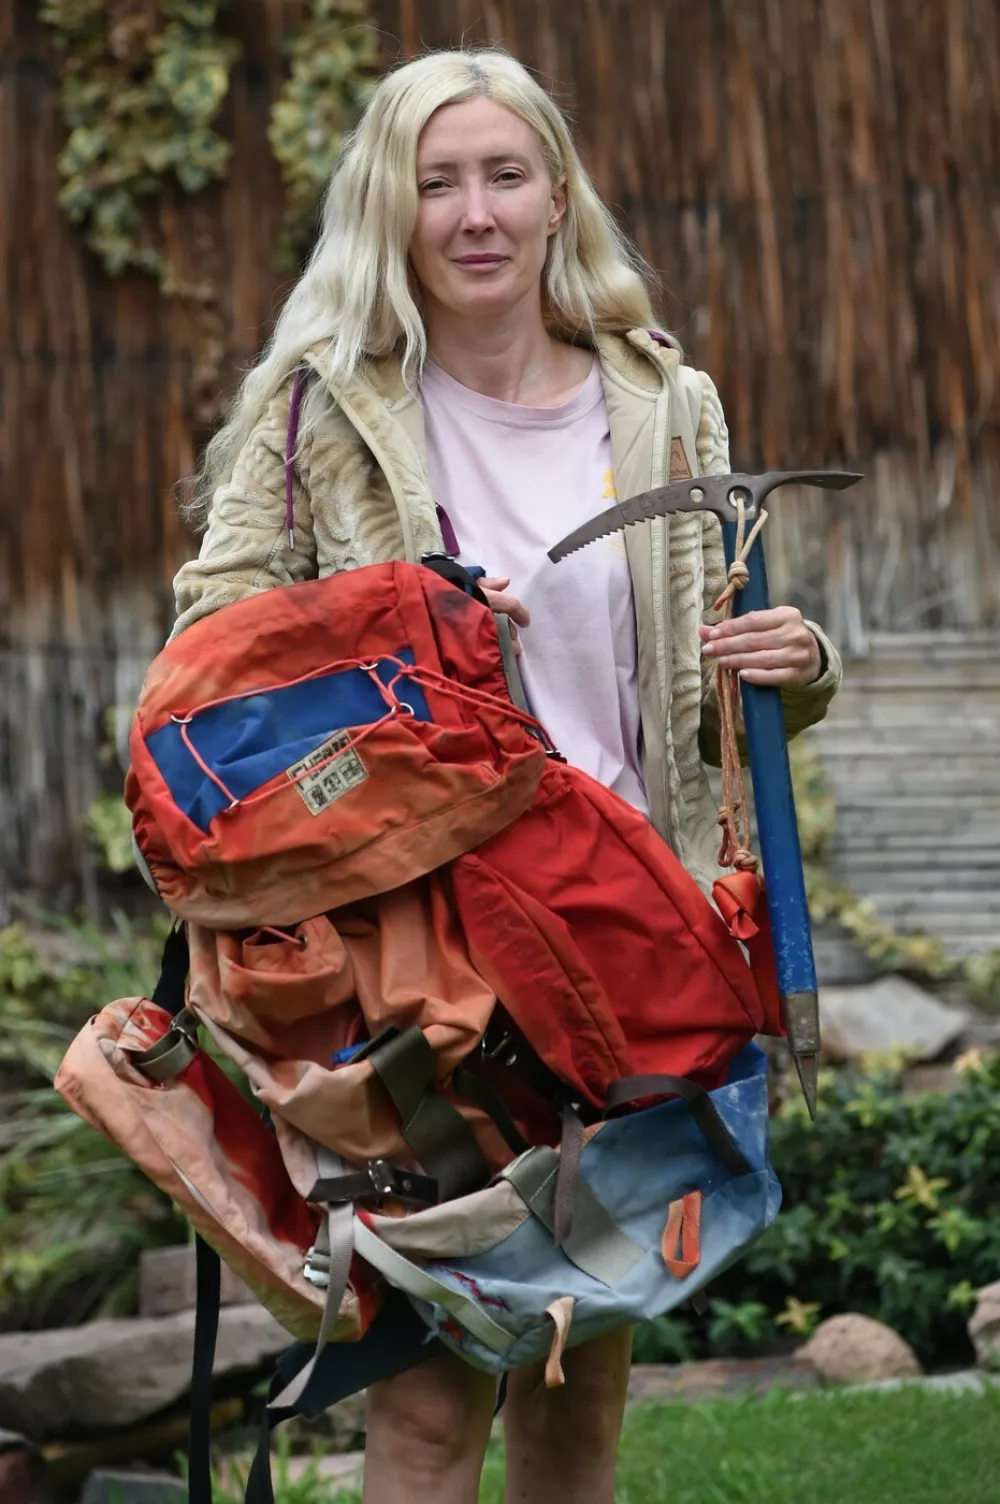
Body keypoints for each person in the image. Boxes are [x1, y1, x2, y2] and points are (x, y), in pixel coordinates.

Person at [172, 46, 841, 1504]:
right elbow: (206, 660)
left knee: (572, 1391)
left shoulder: (668, 406)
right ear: (390, 213)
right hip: (414, 977)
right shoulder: (321, 413)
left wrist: (797, 668)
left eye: (503, 175)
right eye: (437, 181)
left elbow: (696, 699)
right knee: (421, 1415)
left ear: (556, 198)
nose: (474, 211)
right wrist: (400, 623)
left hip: (632, 951)